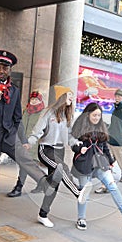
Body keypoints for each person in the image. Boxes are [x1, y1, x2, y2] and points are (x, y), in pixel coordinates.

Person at [0, 50, 64, 238]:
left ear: (9, 70)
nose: (0, 71)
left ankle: (44, 183)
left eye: (4, 68)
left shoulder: (14, 91)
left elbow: (16, 119)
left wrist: (22, 141)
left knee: (24, 158)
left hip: (7, 136)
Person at [28, 85, 92, 228]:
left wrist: (78, 145)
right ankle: (78, 192)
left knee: (54, 184)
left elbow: (69, 137)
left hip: (59, 150)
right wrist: (29, 143)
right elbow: (37, 131)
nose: (71, 98)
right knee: (61, 168)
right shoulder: (48, 113)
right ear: (61, 97)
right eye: (69, 95)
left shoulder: (68, 116)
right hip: (46, 149)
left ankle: (42, 214)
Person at [71, 102, 122, 230]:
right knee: (84, 192)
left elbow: (104, 146)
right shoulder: (79, 126)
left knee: (112, 186)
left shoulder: (101, 126)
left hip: (99, 163)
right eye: (94, 115)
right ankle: (81, 218)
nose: (97, 118)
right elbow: (72, 142)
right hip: (84, 163)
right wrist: (79, 148)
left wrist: (110, 161)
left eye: (99, 115)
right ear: (88, 114)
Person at [7, 91, 45, 197]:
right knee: (28, 165)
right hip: (22, 142)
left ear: (40, 101)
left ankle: (19, 187)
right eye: (32, 99)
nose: (34, 101)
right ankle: (42, 181)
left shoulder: (42, 114)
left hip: (34, 144)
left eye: (36, 99)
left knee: (25, 165)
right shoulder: (25, 111)